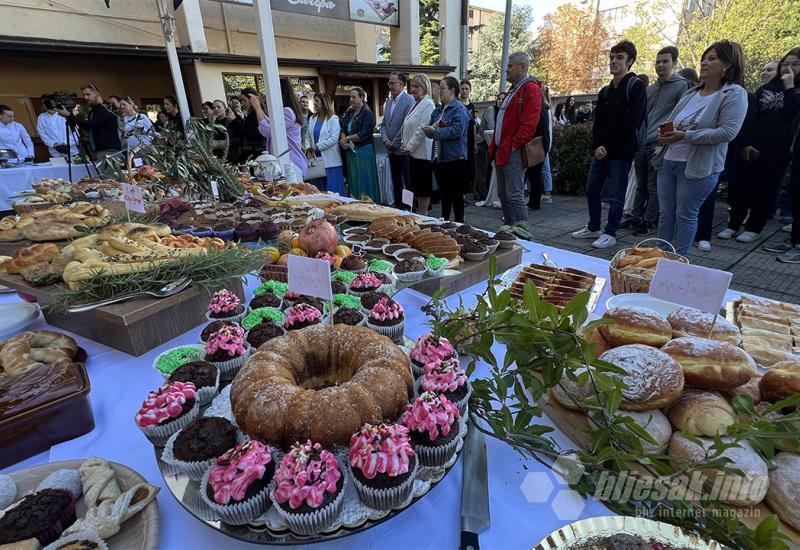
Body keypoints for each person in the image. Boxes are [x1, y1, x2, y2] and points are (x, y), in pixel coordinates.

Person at [654, 40, 748, 256]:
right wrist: (666, 134)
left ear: (728, 65)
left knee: (685, 214)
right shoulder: (691, 93)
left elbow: (727, 132)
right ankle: (657, 259)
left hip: (698, 167)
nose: (704, 62)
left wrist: (685, 136)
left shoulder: (734, 93)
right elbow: (674, 122)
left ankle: (678, 262)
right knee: (666, 213)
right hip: (669, 161)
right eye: (704, 57)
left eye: (712, 58)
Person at [572, 40, 647, 249]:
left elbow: (632, 122)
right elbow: (599, 123)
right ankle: (593, 227)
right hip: (601, 152)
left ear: (630, 61)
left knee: (616, 195)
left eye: (619, 57)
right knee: (592, 190)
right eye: (612, 57)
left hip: (621, 153)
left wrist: (608, 148)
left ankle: (611, 232)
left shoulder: (636, 86)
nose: (613, 61)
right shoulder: (605, 91)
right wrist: (597, 146)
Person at [724, 48, 800, 243]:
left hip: (778, 151)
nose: (788, 68)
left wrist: (790, 85)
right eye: (786, 63)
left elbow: (792, 112)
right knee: (740, 185)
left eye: (795, 64)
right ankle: (733, 224)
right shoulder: (766, 88)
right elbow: (750, 115)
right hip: (752, 146)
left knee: (765, 189)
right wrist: (744, 143)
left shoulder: (795, 91)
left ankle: (754, 227)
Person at [623, 46, 690, 236]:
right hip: (642, 141)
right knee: (640, 183)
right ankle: (635, 216)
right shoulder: (651, 89)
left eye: (665, 61)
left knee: (654, 186)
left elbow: (679, 116)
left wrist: (664, 141)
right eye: (658, 62)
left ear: (674, 63)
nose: (660, 65)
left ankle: (649, 220)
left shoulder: (682, 86)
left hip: (659, 142)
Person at [489, 51, 542, 239]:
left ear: (523, 67)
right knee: (503, 193)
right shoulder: (515, 90)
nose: (506, 70)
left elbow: (529, 123)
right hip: (504, 150)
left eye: (510, 66)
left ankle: (523, 232)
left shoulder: (530, 89)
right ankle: (510, 228)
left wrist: (513, 145)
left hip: (512, 151)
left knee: (514, 194)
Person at [423, 76, 469, 223]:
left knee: (456, 196)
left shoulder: (459, 109)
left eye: (442, 88)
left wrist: (435, 131)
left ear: (452, 91)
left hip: (455, 159)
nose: (439, 92)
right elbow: (432, 131)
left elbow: (457, 131)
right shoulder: (438, 111)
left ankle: (460, 225)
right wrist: (429, 130)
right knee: (445, 195)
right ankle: (445, 223)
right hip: (439, 158)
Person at [252, 78, 308, 181]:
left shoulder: (287, 112)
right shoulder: (287, 111)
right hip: (287, 163)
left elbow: (267, 131)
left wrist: (258, 109)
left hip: (291, 164)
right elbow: (270, 123)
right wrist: (261, 109)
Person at [400, 73, 436, 214]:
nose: (412, 89)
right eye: (412, 86)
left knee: (422, 188)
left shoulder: (428, 104)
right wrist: (404, 143)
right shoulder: (415, 105)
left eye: (416, 86)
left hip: (421, 154)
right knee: (409, 185)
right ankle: (408, 210)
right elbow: (407, 126)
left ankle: (423, 214)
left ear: (425, 87)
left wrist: (409, 147)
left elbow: (422, 130)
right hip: (410, 152)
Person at [59, 84, 121, 161]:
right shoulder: (95, 109)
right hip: (101, 149)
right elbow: (86, 125)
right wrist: (70, 116)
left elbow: (91, 124)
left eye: (88, 94)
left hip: (109, 150)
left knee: (110, 173)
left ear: (97, 94)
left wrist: (69, 115)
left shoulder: (105, 108)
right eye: (84, 95)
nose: (85, 98)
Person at [380, 71, 415, 208]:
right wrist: (385, 140)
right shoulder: (389, 102)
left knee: (407, 181)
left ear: (401, 84)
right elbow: (384, 124)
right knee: (396, 181)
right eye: (389, 83)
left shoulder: (409, 101)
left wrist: (393, 142)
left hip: (402, 149)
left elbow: (406, 125)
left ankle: (409, 207)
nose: (389, 85)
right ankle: (399, 207)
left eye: (392, 83)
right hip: (391, 150)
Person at [340, 87, 380, 202]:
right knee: (353, 178)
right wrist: (343, 140)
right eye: (350, 97)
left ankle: (368, 202)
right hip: (351, 151)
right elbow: (343, 128)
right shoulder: (350, 112)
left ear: (361, 98)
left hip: (364, 151)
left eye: (354, 97)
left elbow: (364, 134)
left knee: (364, 178)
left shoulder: (367, 113)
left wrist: (347, 139)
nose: (351, 99)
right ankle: (355, 201)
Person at [306, 91, 345, 195]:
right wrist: (308, 148)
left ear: (324, 103)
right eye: (314, 101)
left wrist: (317, 146)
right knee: (318, 192)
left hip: (330, 162)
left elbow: (333, 139)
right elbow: (307, 136)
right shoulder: (312, 118)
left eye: (317, 101)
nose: (314, 103)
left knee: (333, 192)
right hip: (316, 162)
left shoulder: (333, 119)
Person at [478, 92, 506, 203]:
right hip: (483, 143)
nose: (500, 101)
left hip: (492, 143)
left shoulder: (503, 112)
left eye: (503, 99)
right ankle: (482, 193)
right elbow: (492, 127)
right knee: (483, 170)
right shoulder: (491, 109)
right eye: (499, 99)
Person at [459, 79, 477, 203]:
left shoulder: (471, 105)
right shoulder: (457, 104)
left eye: (467, 89)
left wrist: (475, 141)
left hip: (470, 140)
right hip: (460, 140)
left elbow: (474, 124)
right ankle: (460, 194)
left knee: (469, 167)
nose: (465, 91)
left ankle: (464, 192)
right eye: (463, 88)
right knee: (460, 166)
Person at [238, 87, 267, 160]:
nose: (242, 104)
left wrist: (234, 121)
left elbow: (251, 134)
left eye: (244, 100)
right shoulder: (251, 114)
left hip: (257, 154)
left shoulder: (255, 115)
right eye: (241, 101)